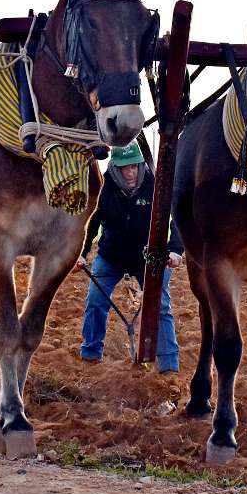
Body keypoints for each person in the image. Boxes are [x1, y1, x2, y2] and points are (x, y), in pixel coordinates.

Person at [77, 141, 182, 373]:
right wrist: (81, 254)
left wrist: (175, 250)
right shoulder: (105, 188)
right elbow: (91, 224)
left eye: (134, 166)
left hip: (149, 257)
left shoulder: (155, 186)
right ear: (115, 168)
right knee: (95, 300)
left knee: (160, 306)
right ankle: (90, 355)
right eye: (125, 168)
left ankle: (169, 366)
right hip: (111, 256)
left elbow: (176, 222)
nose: (131, 172)